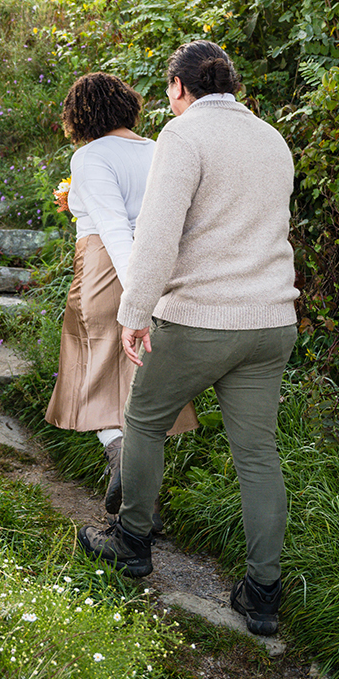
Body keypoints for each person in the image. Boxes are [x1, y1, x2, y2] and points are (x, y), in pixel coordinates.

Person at [77, 41, 299, 637]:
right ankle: (262, 595)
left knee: (144, 420)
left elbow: (157, 234)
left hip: (200, 318)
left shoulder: (184, 136)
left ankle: (130, 544)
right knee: (258, 454)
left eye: (169, 90)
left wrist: (135, 311)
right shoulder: (271, 137)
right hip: (272, 321)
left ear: (179, 87)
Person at [46, 73, 196, 519]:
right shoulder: (157, 149)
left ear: (80, 115)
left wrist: (135, 298)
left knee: (93, 371)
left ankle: (120, 459)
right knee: (141, 378)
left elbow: (112, 227)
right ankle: (141, 497)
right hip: (154, 265)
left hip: (104, 268)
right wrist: (151, 291)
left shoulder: (90, 156)